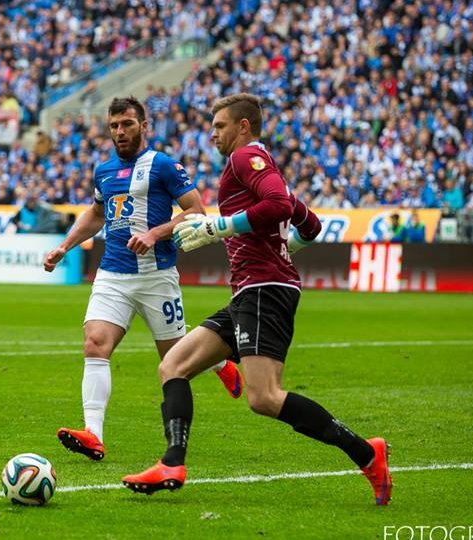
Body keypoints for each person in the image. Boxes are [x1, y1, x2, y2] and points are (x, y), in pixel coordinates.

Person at [122, 93, 391, 506]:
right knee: (173, 365)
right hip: (252, 288)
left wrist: (222, 227)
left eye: (219, 126)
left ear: (243, 126)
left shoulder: (244, 157)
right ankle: (172, 462)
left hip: (264, 289)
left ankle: (366, 453)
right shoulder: (262, 165)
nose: (212, 134)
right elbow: (309, 222)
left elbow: (279, 205)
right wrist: (285, 247)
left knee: (264, 396)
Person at [43, 96, 243, 461]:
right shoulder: (103, 170)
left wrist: (155, 233)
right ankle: (93, 433)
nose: (120, 132)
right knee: (95, 343)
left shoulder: (163, 165)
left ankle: (219, 362)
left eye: (128, 124)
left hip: (156, 276)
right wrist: (65, 247)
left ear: (144, 126)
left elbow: (196, 211)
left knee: (175, 357)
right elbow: (96, 213)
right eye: (115, 126)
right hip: (113, 274)